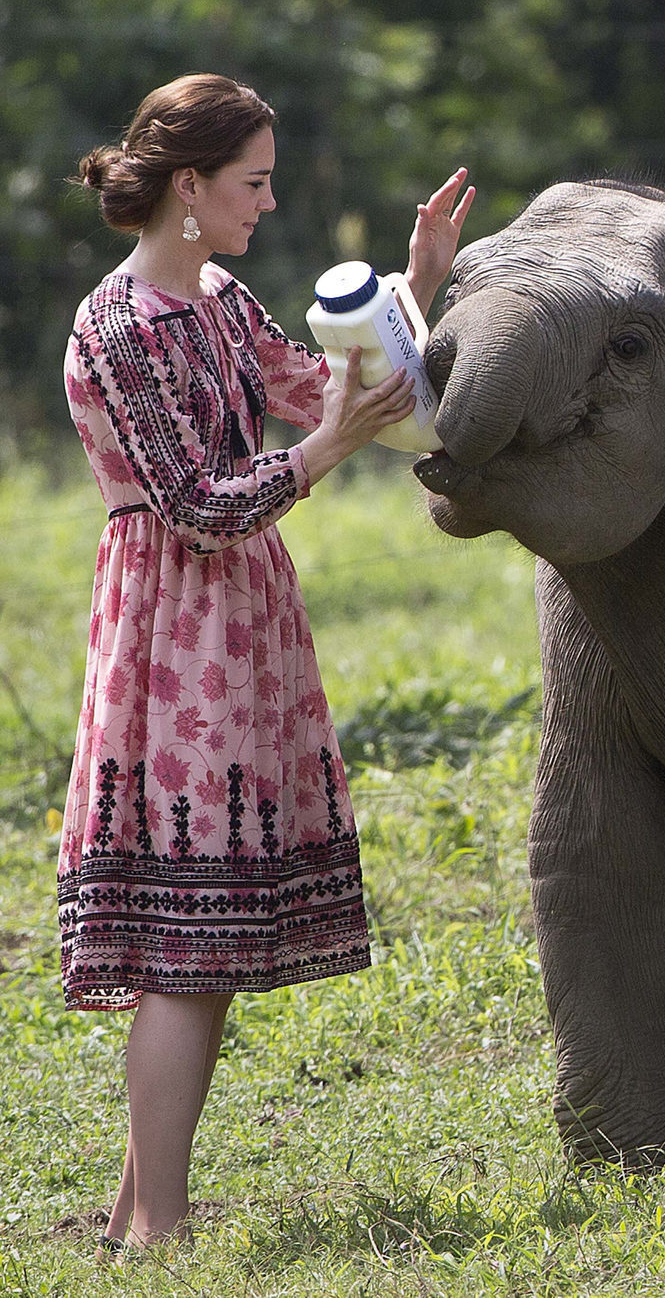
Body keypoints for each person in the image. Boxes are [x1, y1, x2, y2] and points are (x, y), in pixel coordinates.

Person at [59, 72, 474, 1257]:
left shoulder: (222, 300)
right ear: (187, 188)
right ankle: (161, 1236)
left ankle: (142, 1214)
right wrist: (326, 452)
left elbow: (329, 388)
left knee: (207, 937)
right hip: (173, 633)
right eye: (252, 181)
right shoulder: (121, 323)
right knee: (183, 943)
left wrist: (416, 288)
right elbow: (193, 504)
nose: (270, 201)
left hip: (235, 623)